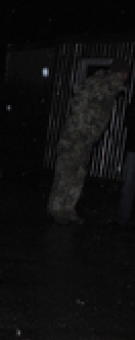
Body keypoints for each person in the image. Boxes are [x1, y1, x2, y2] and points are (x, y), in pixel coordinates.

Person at [47, 59, 131, 225]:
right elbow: (77, 104)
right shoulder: (97, 83)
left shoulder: (111, 89)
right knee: (66, 173)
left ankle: (68, 209)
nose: (124, 79)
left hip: (86, 140)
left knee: (78, 175)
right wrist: (81, 130)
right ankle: (57, 209)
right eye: (123, 74)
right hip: (75, 137)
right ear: (117, 73)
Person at [117, 101, 135, 227]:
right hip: (133, 149)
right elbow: (128, 123)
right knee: (128, 184)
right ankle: (124, 217)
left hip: (132, 149)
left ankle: (124, 217)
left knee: (128, 184)